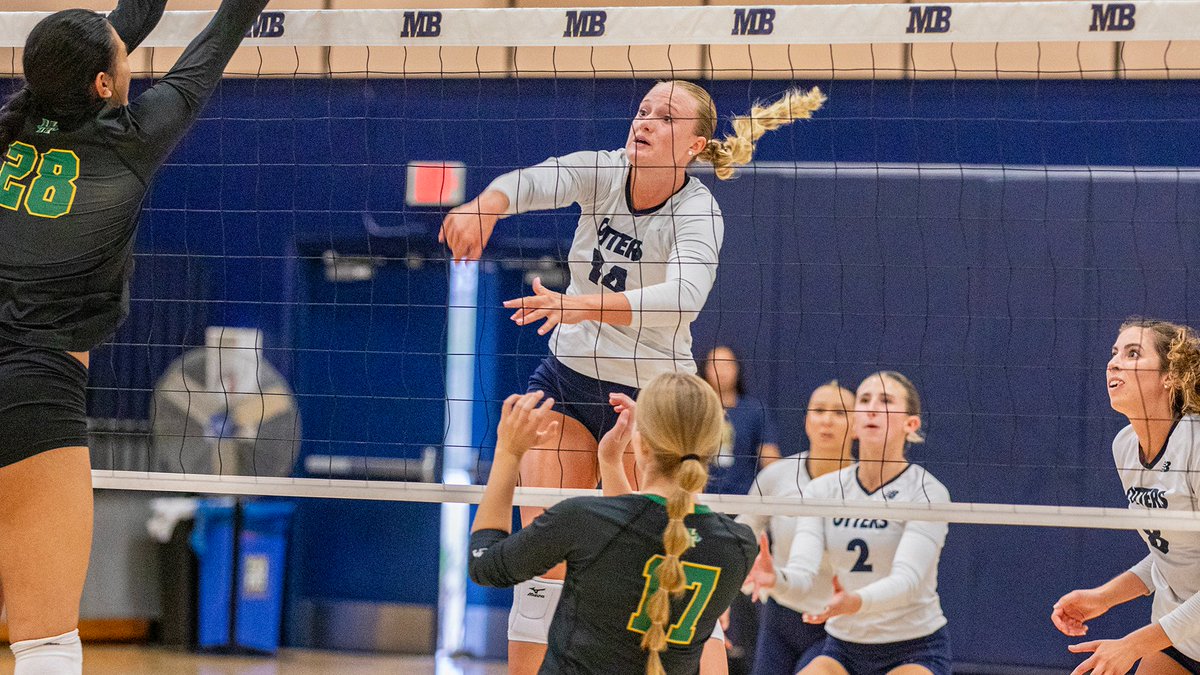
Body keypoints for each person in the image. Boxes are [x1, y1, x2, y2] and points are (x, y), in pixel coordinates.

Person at [441, 80, 825, 671]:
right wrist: (482, 205)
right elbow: (532, 181)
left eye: (664, 117)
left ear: (695, 145)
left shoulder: (698, 209)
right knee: (546, 553)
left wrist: (581, 304)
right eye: (642, 111)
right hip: (569, 377)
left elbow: (684, 297)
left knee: (675, 547)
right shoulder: (603, 170)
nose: (644, 122)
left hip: (654, 395)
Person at [0, 0, 270, 671]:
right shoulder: (132, 141)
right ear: (101, 84)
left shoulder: (13, 120)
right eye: (121, 61)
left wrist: (106, 37)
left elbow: (124, 22)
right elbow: (219, 37)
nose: (130, 63)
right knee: (45, 642)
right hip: (34, 390)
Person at [468, 373, 758, 674]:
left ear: (641, 443)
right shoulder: (738, 546)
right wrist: (610, 465)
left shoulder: (581, 519)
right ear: (713, 446)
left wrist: (507, 453)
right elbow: (642, 539)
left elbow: (484, 565)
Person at [745, 372, 952, 675]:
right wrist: (775, 578)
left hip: (913, 646)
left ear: (910, 424)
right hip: (843, 646)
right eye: (865, 400)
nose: (871, 407)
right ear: (855, 424)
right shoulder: (822, 491)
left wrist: (855, 601)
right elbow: (804, 571)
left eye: (885, 401)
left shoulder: (926, 491)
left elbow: (908, 582)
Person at [1051, 319, 1200, 674]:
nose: (1114, 363)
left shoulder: (1195, 446)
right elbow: (1173, 555)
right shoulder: (1124, 447)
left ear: (1171, 376)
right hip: (1179, 634)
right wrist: (1104, 597)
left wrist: (1134, 644)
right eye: (1114, 353)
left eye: (1133, 353)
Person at [737, 381, 856, 675]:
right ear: (806, 421)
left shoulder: (865, 487)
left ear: (856, 425)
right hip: (779, 616)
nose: (827, 419)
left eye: (839, 412)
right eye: (819, 410)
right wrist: (747, 574)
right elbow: (742, 533)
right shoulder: (778, 476)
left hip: (836, 622)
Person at [702, 345, 782, 496]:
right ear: (705, 369)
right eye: (715, 364)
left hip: (743, 498)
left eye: (727, 364)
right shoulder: (695, 409)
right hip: (702, 497)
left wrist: (781, 488)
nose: (721, 370)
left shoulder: (754, 410)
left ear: (737, 369)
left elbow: (769, 456)